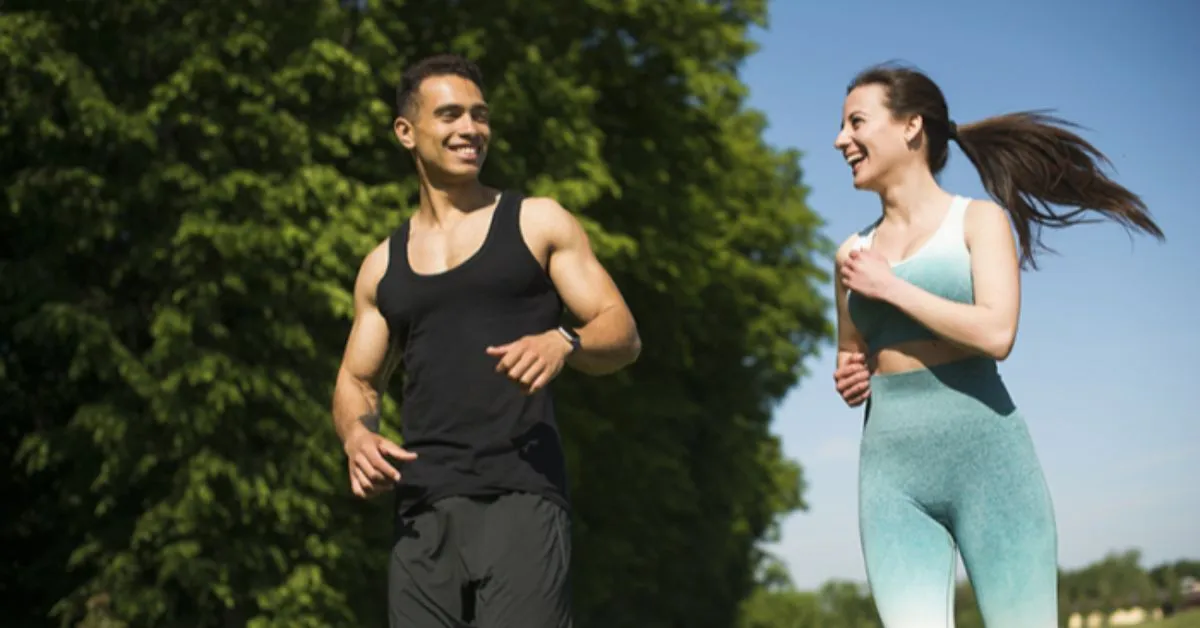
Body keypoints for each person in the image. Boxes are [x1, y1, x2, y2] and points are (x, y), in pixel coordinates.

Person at [830, 62, 1163, 628]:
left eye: (856, 122)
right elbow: (849, 351)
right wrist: (848, 374)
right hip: (891, 479)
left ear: (911, 126)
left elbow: (996, 333)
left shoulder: (978, 221)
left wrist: (891, 287)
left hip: (989, 466)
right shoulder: (849, 255)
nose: (841, 139)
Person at [330, 53, 642, 628]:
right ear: (406, 131)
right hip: (421, 510)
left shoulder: (538, 222)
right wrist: (356, 434)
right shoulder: (381, 267)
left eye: (479, 115)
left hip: (522, 495)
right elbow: (357, 379)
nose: (470, 129)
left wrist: (563, 342)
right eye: (449, 115)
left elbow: (621, 332)